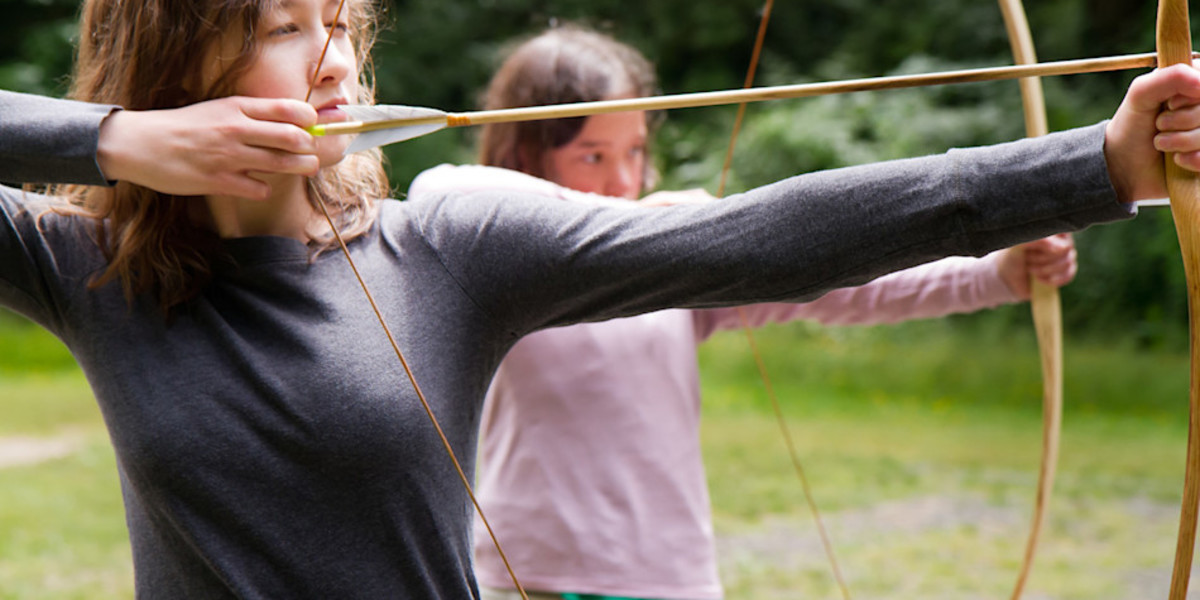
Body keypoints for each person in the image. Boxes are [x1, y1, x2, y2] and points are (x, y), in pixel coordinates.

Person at [0, 0, 1192, 596]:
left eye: (342, 24)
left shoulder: (450, 239)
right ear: (176, 62)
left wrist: (1102, 165)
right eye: (284, 28)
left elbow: (756, 239)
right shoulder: (85, 266)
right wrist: (115, 141)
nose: (337, 63)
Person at [408, 26, 1077, 600]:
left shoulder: (669, 262)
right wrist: (650, 219)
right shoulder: (499, 268)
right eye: (593, 155)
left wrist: (993, 275)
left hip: (671, 574)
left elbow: (841, 285)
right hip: (534, 574)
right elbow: (442, 190)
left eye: (635, 151)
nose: (624, 178)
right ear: (525, 153)